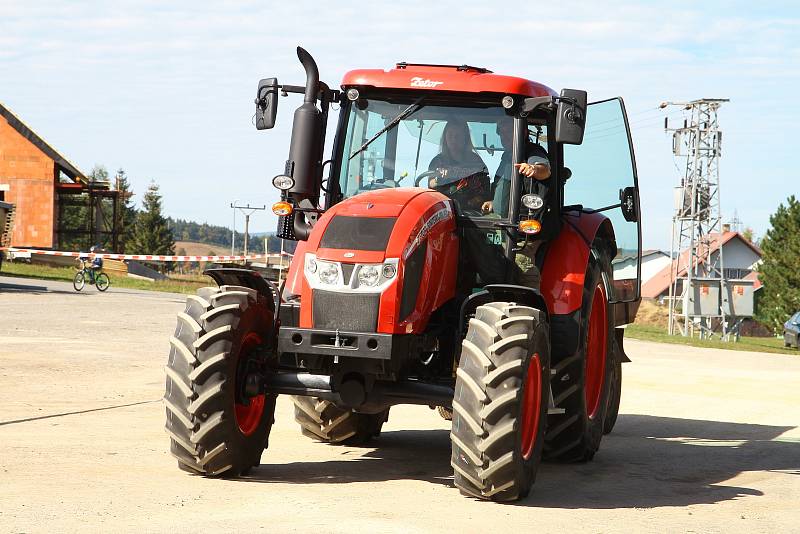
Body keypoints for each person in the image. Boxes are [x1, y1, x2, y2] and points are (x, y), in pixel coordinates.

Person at [482, 119, 551, 218]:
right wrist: (495, 203)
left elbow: (545, 170)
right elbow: (507, 191)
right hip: (503, 220)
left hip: (524, 223)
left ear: (524, 132)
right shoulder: (508, 157)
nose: (504, 136)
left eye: (509, 131)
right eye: (502, 132)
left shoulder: (532, 151)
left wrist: (533, 169)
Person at [427, 121, 489, 213]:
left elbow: (485, 191)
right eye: (450, 135)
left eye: (458, 136)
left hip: (472, 215)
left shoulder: (475, 161)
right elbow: (430, 185)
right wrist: (438, 179)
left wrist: (476, 201)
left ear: (465, 138)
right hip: (443, 212)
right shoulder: (437, 162)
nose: (454, 139)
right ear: (445, 138)